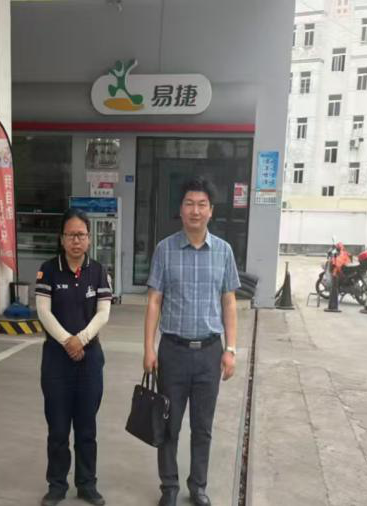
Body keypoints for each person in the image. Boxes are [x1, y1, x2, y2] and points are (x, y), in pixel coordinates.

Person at [143, 178, 240, 506]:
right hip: (173, 351)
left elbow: (229, 302)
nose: (195, 210)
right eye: (189, 204)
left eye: (201, 205)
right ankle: (169, 487)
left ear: (211, 211)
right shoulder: (165, 249)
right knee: (169, 425)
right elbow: (154, 301)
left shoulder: (223, 251)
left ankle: (198, 486)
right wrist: (149, 348)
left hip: (210, 353)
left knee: (203, 427)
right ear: (180, 209)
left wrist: (230, 349)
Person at [35, 208, 113, 506]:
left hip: (89, 360)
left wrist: (81, 339)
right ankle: (57, 485)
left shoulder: (98, 271)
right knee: (57, 428)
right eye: (71, 235)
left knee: (86, 428)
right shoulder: (48, 270)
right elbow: (44, 311)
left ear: (89, 239)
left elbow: (103, 313)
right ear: (62, 239)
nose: (76, 241)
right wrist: (67, 340)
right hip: (56, 361)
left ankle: (87, 484)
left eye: (81, 235)